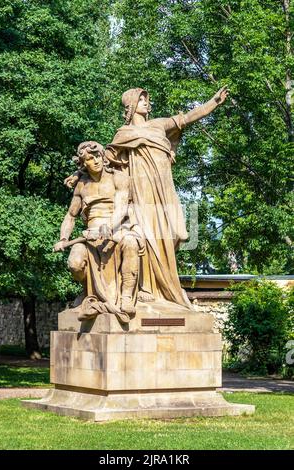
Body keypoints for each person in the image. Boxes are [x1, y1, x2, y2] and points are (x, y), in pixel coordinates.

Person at [103, 86, 229, 308]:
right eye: (140, 99)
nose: (145, 102)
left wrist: (213, 102)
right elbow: (106, 163)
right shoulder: (123, 134)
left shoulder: (159, 124)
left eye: (146, 99)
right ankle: (146, 287)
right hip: (141, 191)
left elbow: (188, 118)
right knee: (148, 235)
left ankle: (164, 284)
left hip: (165, 190)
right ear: (131, 105)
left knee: (176, 233)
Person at [54, 141, 143, 324]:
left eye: (97, 156)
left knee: (131, 243)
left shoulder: (118, 177)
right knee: (74, 264)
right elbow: (71, 216)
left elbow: (121, 207)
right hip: (89, 236)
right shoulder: (81, 185)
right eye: (89, 158)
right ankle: (87, 289)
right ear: (83, 163)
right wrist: (64, 238)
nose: (95, 161)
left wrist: (109, 227)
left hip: (117, 229)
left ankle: (126, 296)